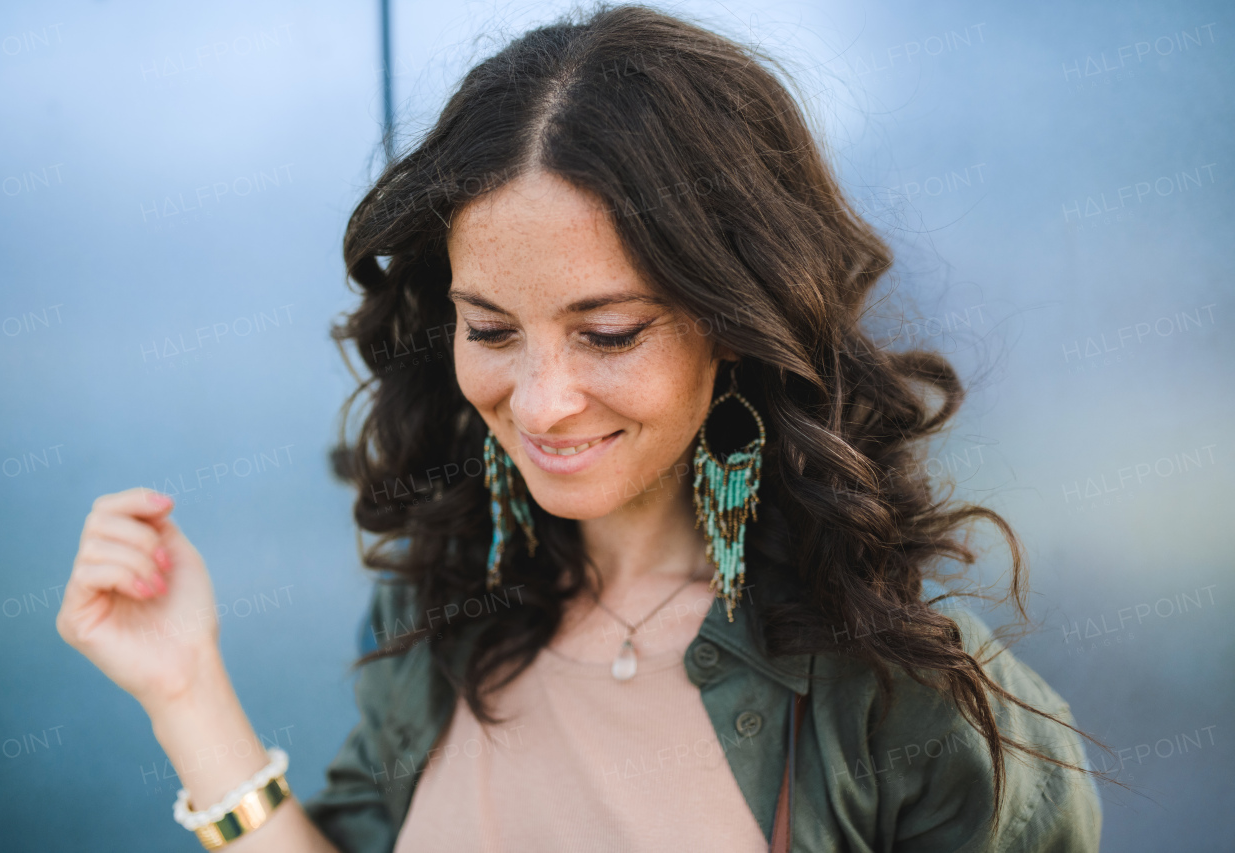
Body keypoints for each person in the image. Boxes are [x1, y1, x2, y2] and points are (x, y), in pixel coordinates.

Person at [56, 5, 1105, 851]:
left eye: (606, 334)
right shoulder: (437, 603)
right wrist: (183, 689)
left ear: (735, 324)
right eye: (491, 328)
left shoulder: (912, 699)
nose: (542, 400)